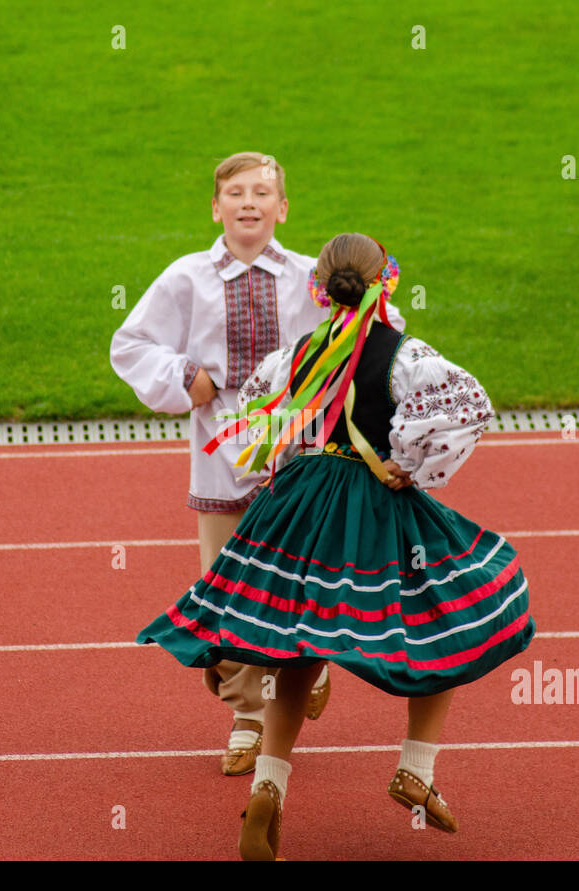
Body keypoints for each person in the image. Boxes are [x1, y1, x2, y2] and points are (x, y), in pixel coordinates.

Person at [136, 233, 536, 860]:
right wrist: (410, 467)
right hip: (377, 504)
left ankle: (269, 785)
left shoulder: (294, 353)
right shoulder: (406, 355)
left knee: (300, 645)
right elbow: (468, 408)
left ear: (318, 290)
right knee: (446, 619)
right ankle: (416, 770)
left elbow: (259, 428)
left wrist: (292, 470)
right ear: (388, 284)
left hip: (299, 505)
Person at [110, 154, 404, 775]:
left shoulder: (311, 277)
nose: (249, 202)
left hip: (303, 467)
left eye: (262, 193)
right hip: (221, 464)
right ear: (215, 207)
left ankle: (300, 674)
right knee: (224, 593)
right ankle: (246, 712)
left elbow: (381, 328)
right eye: (235, 193)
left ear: (282, 208)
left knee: (303, 585)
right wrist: (182, 376)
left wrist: (347, 348)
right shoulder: (185, 278)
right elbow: (131, 344)